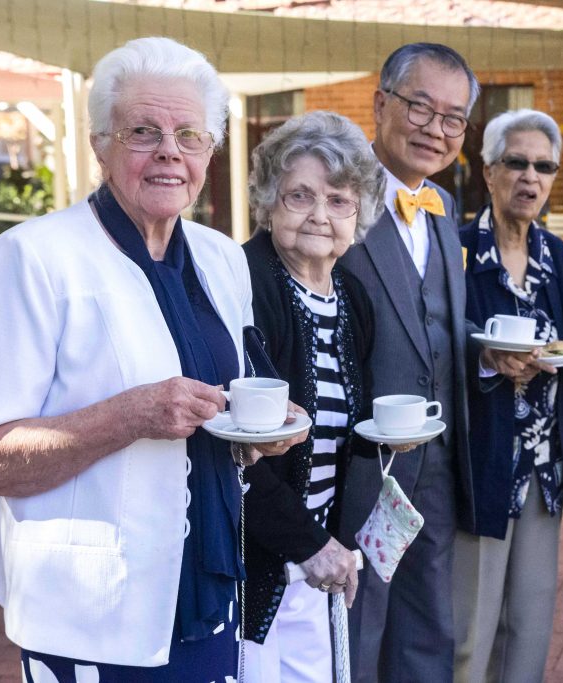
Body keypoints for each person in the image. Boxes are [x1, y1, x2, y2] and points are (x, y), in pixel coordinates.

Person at [0, 37, 306, 681]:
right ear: (101, 145)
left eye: (189, 135)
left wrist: (262, 429)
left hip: (213, 589)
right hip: (92, 611)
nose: (169, 151)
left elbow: (233, 401)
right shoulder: (32, 257)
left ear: (209, 151)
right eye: (144, 130)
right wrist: (130, 417)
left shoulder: (223, 258)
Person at [336, 42, 528, 682]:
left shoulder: (444, 215)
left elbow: (438, 329)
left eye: (453, 119)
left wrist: (487, 355)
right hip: (358, 464)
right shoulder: (333, 197)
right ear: (381, 103)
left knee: (427, 631)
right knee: (357, 628)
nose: (435, 129)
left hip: (437, 463)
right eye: (421, 107)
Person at [453, 109, 563, 683]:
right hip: (483, 462)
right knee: (471, 631)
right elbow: (438, 347)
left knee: (530, 628)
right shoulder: (457, 250)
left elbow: (558, 348)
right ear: (487, 171)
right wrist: (486, 359)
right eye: (516, 163)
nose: (530, 178)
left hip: (544, 470)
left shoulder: (557, 257)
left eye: (544, 167)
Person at [237, 111, 385, 682]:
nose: (320, 215)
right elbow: (238, 448)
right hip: (255, 561)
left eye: (339, 200)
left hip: (318, 557)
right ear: (269, 202)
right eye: (300, 196)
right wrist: (308, 543)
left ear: (360, 213)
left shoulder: (352, 297)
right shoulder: (245, 284)